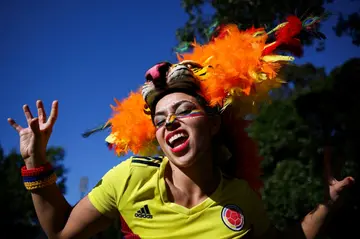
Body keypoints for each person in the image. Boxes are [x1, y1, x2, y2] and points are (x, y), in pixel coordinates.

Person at [8, 16, 355, 239]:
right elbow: (59, 233)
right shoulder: (128, 178)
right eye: (159, 120)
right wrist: (35, 161)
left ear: (214, 123)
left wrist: (327, 204)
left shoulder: (240, 199)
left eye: (184, 110)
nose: (170, 122)